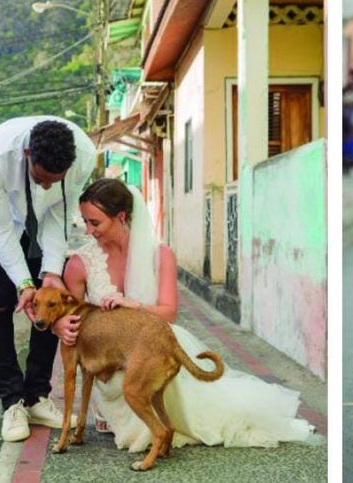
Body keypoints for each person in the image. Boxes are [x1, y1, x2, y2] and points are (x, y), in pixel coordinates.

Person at [53, 178, 314, 452]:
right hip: (110, 362)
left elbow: (169, 313)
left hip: (152, 343)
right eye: (85, 221)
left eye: (95, 222)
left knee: (181, 384)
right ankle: (112, 409)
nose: (89, 230)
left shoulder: (161, 254)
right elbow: (72, 315)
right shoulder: (80, 263)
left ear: (120, 217)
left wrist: (135, 306)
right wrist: (59, 325)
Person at [0, 116, 96, 442]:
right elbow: (1, 231)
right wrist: (24, 284)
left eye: (57, 180)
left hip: (42, 222)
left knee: (51, 299)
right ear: (27, 154)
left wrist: (51, 272)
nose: (49, 185)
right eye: (42, 179)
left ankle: (37, 396)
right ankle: (12, 401)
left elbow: (58, 213)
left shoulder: (85, 155)